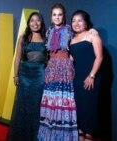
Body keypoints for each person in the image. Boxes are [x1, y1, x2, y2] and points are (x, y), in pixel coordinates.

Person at [37, 3, 78, 141]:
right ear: (51, 16)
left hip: (64, 67)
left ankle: (62, 135)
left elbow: (80, 35)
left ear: (64, 16)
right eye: (54, 14)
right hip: (52, 67)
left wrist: (92, 31)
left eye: (59, 14)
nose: (57, 17)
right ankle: (49, 134)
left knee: (62, 100)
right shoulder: (48, 31)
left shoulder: (69, 29)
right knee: (51, 99)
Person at [7, 12, 46, 141]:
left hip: (40, 74)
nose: (35, 23)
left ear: (41, 22)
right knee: (23, 105)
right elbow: (18, 57)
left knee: (37, 105)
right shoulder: (23, 37)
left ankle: (37, 136)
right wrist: (15, 75)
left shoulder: (46, 37)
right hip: (24, 74)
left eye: (38, 20)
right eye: (32, 21)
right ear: (29, 23)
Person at [70, 10, 103, 141]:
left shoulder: (92, 35)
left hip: (90, 78)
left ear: (86, 22)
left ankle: (88, 136)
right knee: (79, 109)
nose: (76, 23)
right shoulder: (71, 40)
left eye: (80, 20)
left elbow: (99, 57)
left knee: (89, 108)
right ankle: (80, 135)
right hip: (76, 79)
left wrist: (92, 76)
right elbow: (71, 60)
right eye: (73, 21)